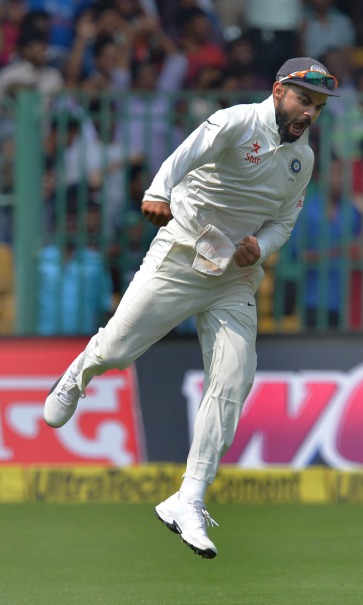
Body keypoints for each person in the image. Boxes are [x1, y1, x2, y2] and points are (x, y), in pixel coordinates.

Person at [42, 57, 338, 559]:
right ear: (278, 90)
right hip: (183, 253)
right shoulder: (236, 121)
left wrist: (260, 249)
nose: (309, 113)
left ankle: (189, 497)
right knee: (117, 349)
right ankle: (78, 373)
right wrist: (158, 193)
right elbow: (182, 156)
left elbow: (284, 222)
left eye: (318, 106)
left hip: (235, 278)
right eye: (303, 100)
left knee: (235, 377)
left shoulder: (301, 160)